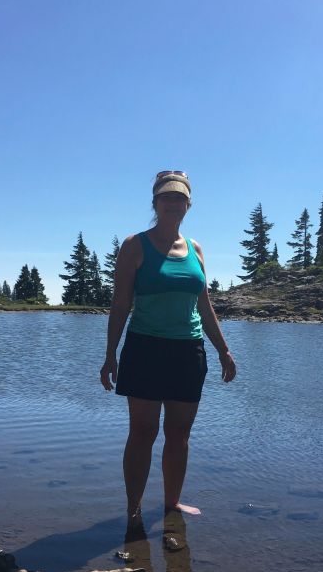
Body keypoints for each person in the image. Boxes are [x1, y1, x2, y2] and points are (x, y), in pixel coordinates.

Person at [100, 170, 236, 519]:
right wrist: (110, 355)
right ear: (155, 202)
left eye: (179, 197)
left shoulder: (196, 249)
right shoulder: (135, 245)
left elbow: (204, 305)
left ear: (188, 204)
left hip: (187, 351)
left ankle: (172, 503)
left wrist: (223, 349)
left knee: (179, 433)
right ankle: (133, 508)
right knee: (142, 432)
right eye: (166, 196)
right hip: (145, 348)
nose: (173, 202)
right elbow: (120, 304)